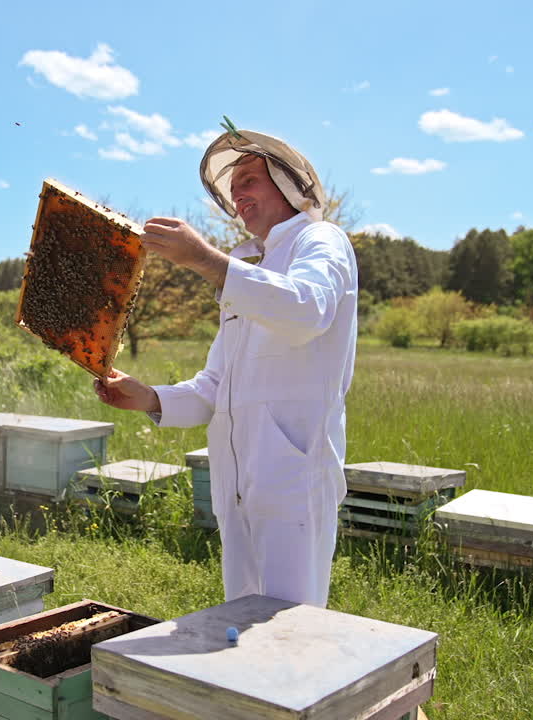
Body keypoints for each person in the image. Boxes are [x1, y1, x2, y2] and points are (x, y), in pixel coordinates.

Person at [93, 128, 357, 607]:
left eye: (250, 179)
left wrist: (206, 261)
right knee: (244, 635)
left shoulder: (321, 242)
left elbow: (306, 310)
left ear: (289, 185)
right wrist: (151, 397)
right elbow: (217, 384)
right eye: (234, 186)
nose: (238, 193)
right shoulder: (245, 264)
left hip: (293, 480)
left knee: (293, 634)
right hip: (237, 484)